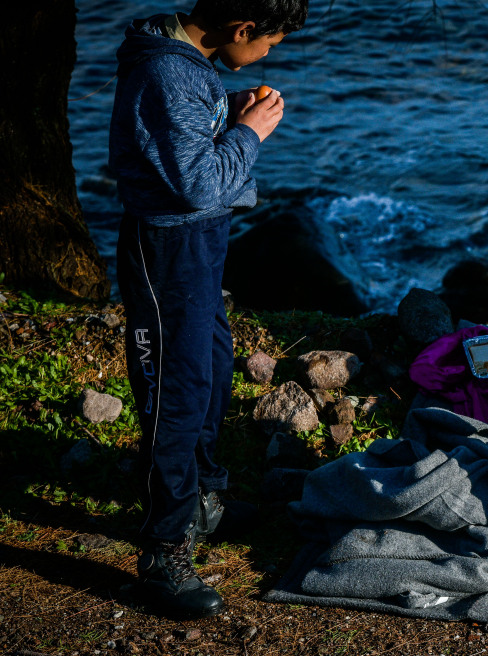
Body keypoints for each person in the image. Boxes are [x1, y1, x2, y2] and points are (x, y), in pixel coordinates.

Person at [110, 0, 308, 619]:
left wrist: (227, 113)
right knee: (178, 391)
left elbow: (189, 151)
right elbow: (196, 183)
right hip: (167, 247)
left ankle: (203, 498)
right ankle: (163, 548)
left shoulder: (191, 64)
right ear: (241, 28)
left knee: (214, 368)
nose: (270, 53)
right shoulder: (170, 72)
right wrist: (250, 132)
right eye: (269, 41)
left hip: (197, 244)